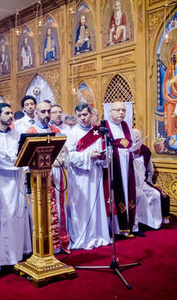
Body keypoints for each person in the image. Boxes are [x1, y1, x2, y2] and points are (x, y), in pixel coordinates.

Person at [0, 103, 31, 268]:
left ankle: (20, 253)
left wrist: (18, 161)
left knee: (20, 215)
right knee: (6, 217)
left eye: (11, 113)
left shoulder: (16, 134)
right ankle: (6, 258)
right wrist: (17, 161)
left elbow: (23, 152)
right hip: (2, 181)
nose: (11, 116)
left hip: (17, 178)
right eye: (7, 113)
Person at [26, 101, 70, 253]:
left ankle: (57, 244)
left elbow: (65, 152)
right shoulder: (30, 131)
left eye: (48, 112)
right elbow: (26, 157)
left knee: (57, 208)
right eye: (43, 112)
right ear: (36, 114)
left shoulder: (56, 130)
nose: (46, 115)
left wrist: (62, 161)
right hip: (39, 179)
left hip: (56, 176)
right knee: (41, 211)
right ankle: (42, 247)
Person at [66, 102, 110, 249]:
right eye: (79, 115)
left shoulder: (99, 131)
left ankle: (98, 236)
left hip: (95, 173)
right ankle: (81, 238)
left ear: (91, 115)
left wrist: (103, 157)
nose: (82, 118)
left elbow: (106, 149)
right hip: (79, 177)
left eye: (85, 114)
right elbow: (69, 156)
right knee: (81, 207)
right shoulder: (72, 133)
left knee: (96, 205)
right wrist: (88, 156)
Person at [105, 101, 136, 235]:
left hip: (127, 164)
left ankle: (130, 224)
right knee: (116, 194)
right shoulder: (105, 126)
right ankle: (118, 228)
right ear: (110, 111)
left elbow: (131, 143)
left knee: (129, 192)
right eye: (117, 110)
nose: (121, 113)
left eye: (123, 110)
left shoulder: (126, 126)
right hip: (114, 165)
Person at [132, 129, 167, 230]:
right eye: (134, 138)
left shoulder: (145, 150)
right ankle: (138, 225)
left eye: (138, 138)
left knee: (155, 195)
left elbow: (149, 169)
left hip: (142, 183)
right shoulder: (126, 149)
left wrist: (149, 181)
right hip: (131, 183)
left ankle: (154, 223)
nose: (136, 140)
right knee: (140, 196)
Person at [163, 46, 177, 149]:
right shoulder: (171, 69)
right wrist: (171, 82)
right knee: (170, 107)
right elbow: (165, 84)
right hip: (173, 98)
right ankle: (173, 137)